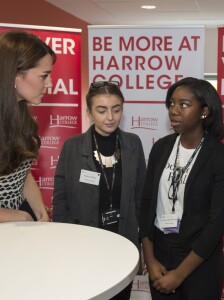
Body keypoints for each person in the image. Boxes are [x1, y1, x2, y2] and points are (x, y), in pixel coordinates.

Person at [139, 77, 224, 299]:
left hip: (200, 262)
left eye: (184, 105)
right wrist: (150, 260)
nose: (174, 110)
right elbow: (146, 205)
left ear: (204, 111)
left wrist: (180, 275)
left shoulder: (221, 158)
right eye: (171, 103)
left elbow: (216, 223)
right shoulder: (161, 148)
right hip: (160, 257)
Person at [52, 80, 146, 300]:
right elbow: (61, 198)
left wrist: (143, 242)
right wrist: (64, 241)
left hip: (123, 241)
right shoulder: (73, 146)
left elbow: (141, 194)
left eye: (116, 109)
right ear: (89, 112)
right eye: (102, 110)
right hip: (84, 244)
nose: (110, 117)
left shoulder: (133, 143)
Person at [0, 30, 56, 223]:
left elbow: (21, 171)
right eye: (44, 75)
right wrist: (16, 216)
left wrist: (40, 213)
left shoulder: (20, 114)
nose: (50, 83)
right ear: (16, 75)